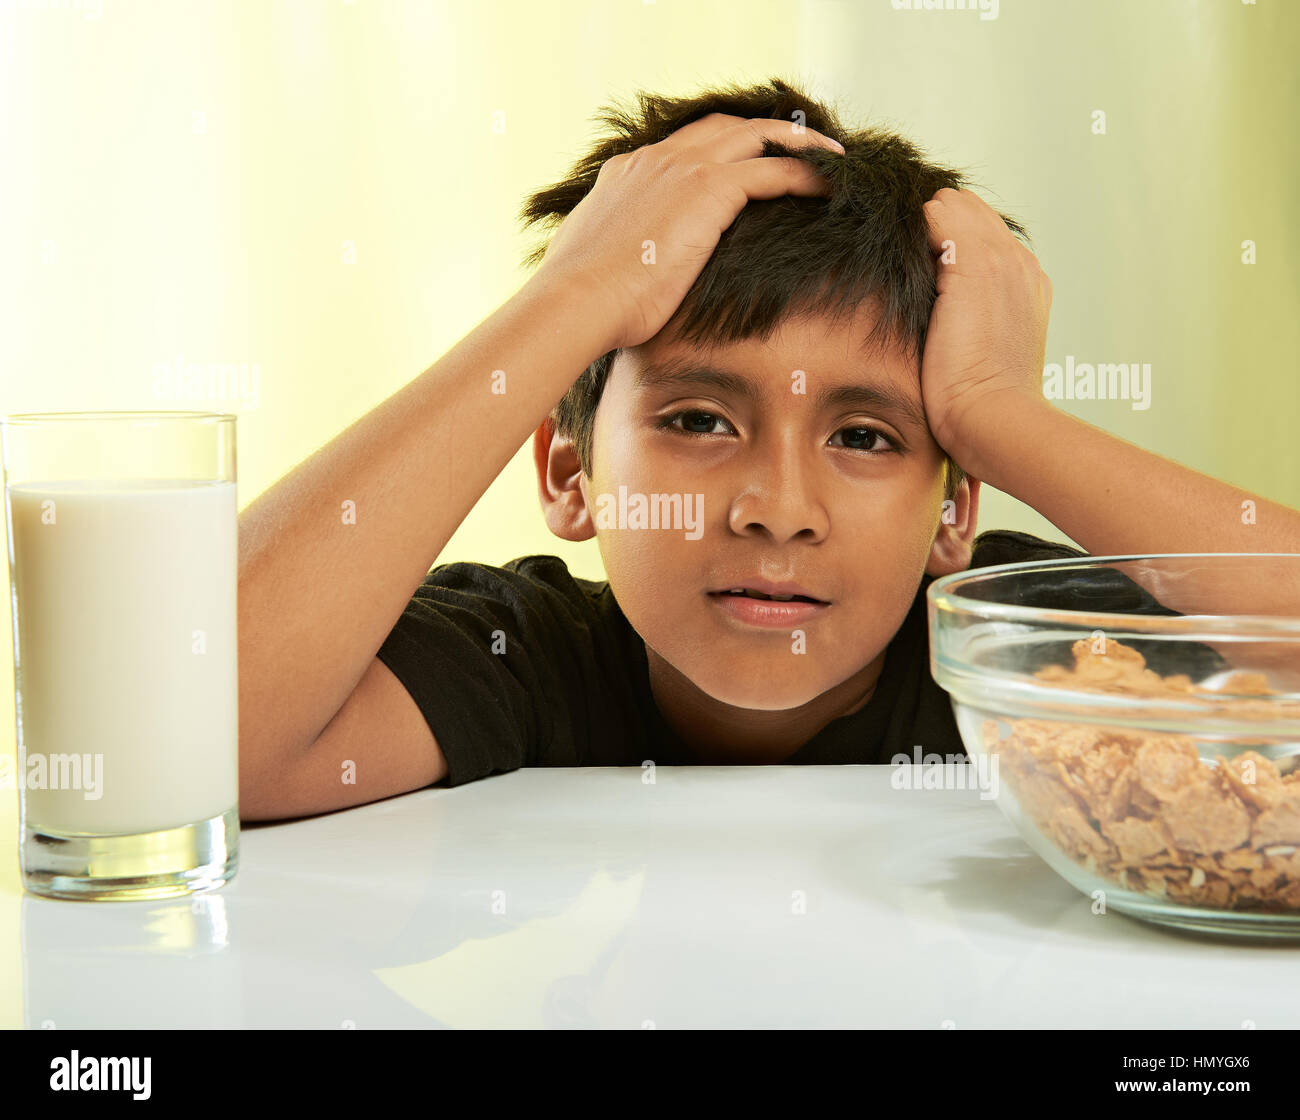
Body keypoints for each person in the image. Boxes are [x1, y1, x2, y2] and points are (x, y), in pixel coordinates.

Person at [236, 77, 1297, 822]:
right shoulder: (528, 659)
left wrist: (993, 409)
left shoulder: (1013, 653)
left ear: (953, 510)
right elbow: (187, 730)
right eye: (698, 420)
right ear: (570, 473)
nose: (779, 509)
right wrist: (572, 300)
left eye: (865, 435)